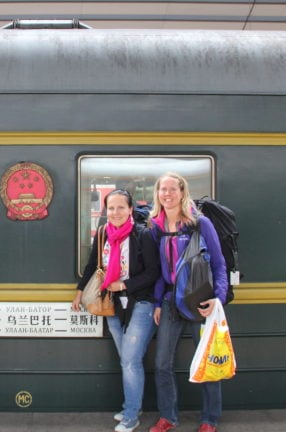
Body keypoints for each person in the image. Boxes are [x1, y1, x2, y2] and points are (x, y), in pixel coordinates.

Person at [73, 189, 161, 432]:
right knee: (128, 360)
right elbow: (93, 265)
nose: (115, 212)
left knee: (130, 361)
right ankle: (133, 406)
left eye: (121, 207)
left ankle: (131, 415)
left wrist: (124, 284)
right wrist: (80, 292)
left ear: (131, 209)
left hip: (141, 302)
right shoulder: (103, 233)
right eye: (111, 208)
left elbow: (154, 273)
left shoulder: (144, 234)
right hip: (111, 303)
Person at [147, 172, 228, 432]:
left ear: (183, 192)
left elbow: (218, 264)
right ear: (157, 194)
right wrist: (158, 302)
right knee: (162, 364)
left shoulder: (199, 223)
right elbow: (161, 272)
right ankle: (168, 416)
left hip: (200, 302)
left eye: (172, 189)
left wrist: (219, 298)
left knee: (207, 360)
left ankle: (210, 419)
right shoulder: (155, 227)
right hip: (171, 302)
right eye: (163, 189)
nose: (167, 194)